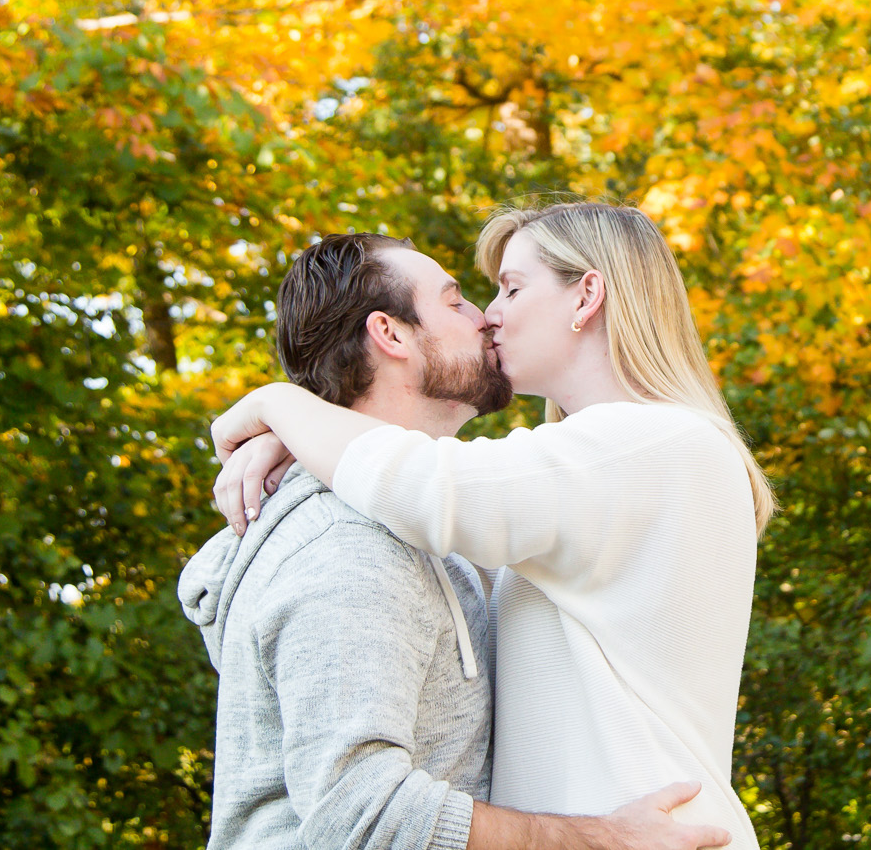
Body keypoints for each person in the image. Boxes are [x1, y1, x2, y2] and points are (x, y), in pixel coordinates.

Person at [211, 202, 772, 850]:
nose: (490, 312)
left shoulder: (646, 442)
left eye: (511, 286)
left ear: (587, 293)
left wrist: (280, 405)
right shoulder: (606, 468)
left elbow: (425, 487)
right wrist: (305, 442)